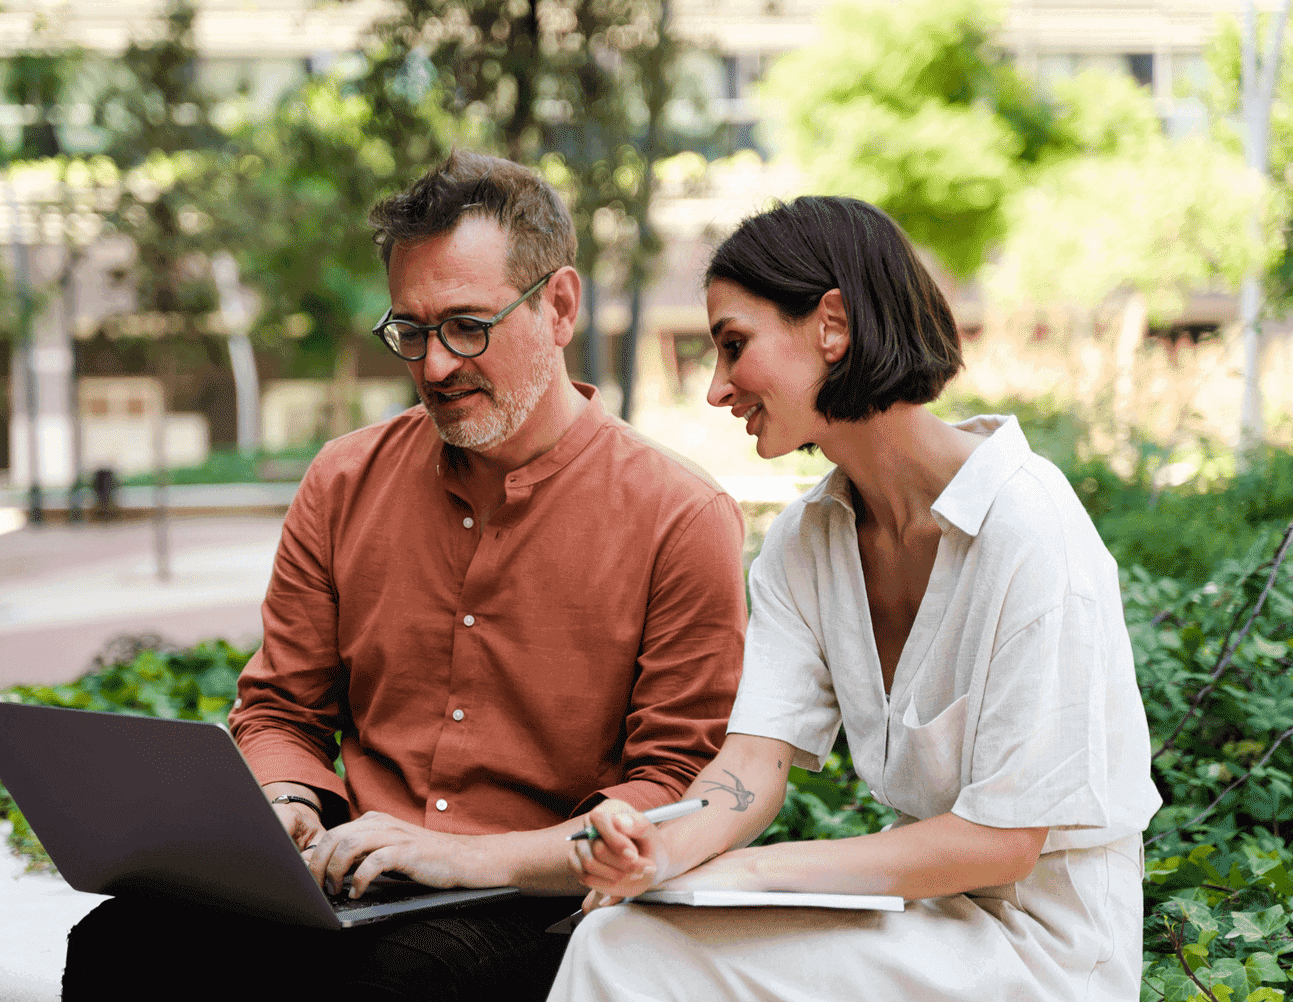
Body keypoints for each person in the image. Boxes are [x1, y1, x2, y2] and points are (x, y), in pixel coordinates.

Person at [62, 150, 747, 1001]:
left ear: (560, 305)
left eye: (466, 325)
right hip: (352, 874)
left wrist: (471, 857)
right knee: (120, 944)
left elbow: (675, 786)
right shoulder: (343, 479)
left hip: (537, 899)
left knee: (399, 985)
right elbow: (281, 707)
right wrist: (286, 805)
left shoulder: (682, 518)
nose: (433, 366)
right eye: (410, 332)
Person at [549, 196, 1162, 1002]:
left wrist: (744, 874)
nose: (716, 389)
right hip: (923, 923)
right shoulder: (808, 540)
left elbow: (1004, 843)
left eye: (733, 346)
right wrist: (659, 855)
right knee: (620, 936)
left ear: (831, 323)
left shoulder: (1030, 526)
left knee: (627, 955)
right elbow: (751, 766)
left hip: (1047, 956)